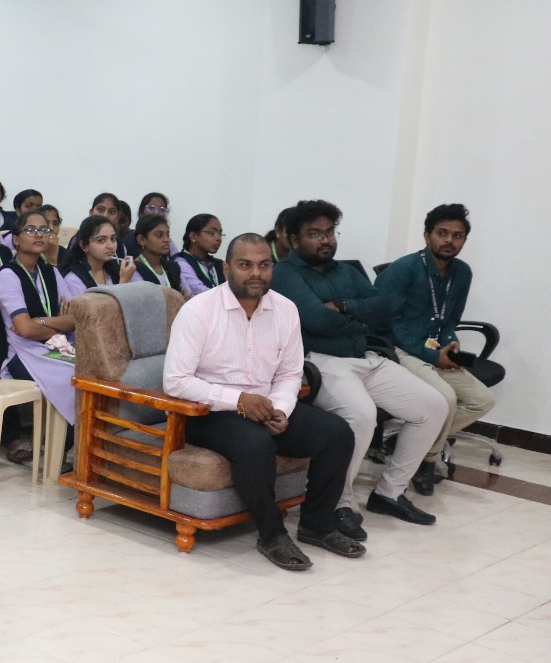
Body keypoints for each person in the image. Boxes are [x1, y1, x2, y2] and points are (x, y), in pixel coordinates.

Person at [165, 234, 364, 570]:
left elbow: (290, 373)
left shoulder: (285, 310)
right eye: (245, 265)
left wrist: (281, 409)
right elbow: (176, 381)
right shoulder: (198, 311)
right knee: (255, 443)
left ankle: (317, 525)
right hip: (208, 412)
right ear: (227, 268)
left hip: (267, 405)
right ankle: (272, 535)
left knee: (337, 433)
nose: (255, 273)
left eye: (264, 265)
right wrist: (239, 401)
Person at [271, 200, 448, 533]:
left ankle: (389, 493)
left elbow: (386, 305)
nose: (325, 240)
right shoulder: (285, 274)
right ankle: (338, 503)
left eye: (329, 232)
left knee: (433, 405)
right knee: (362, 415)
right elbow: (316, 319)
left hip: (364, 356)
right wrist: (359, 318)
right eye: (314, 233)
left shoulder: (345, 270)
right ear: (294, 239)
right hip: (321, 361)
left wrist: (343, 306)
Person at [376, 203, 495, 494]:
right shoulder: (404, 269)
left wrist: (450, 342)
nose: (449, 241)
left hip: (435, 348)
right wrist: (433, 355)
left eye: (457, 235)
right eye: (442, 233)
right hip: (399, 349)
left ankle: (410, 441)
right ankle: (427, 460)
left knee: (482, 400)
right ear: (427, 235)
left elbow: (450, 319)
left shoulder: (462, 273)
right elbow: (386, 324)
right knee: (446, 399)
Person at [0, 210, 77, 460]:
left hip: (52, 347)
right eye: (30, 230)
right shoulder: (8, 275)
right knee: (72, 378)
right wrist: (58, 323)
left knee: (89, 369)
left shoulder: (50, 271)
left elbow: (75, 318)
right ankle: (57, 454)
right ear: (16, 239)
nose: (39, 234)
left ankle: (64, 446)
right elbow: (25, 331)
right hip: (20, 354)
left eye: (44, 230)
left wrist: (41, 321)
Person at [60, 214, 133, 300]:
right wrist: (124, 282)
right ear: (84, 246)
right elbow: (95, 309)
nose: (110, 246)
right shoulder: (73, 279)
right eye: (101, 240)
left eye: (113, 239)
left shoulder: (113, 270)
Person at [131, 215, 187, 295]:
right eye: (159, 235)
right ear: (141, 240)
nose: (166, 240)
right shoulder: (133, 268)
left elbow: (189, 296)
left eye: (167, 234)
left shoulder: (174, 267)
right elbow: (145, 298)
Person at [172, 214, 225, 296]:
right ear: (193, 236)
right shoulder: (180, 263)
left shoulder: (218, 264)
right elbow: (201, 293)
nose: (218, 238)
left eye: (220, 234)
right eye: (212, 232)